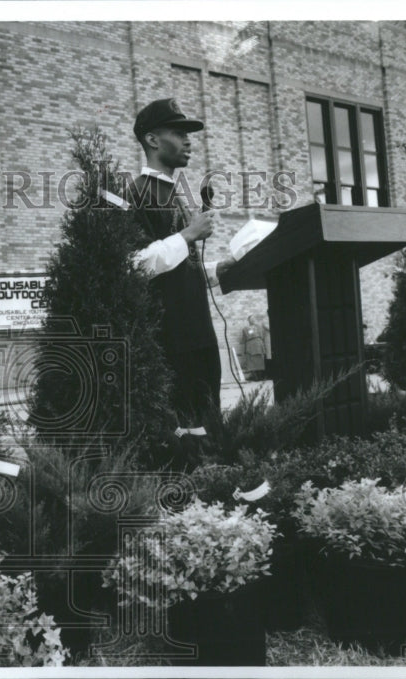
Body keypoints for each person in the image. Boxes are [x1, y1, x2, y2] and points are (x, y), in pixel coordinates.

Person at [125, 98, 235, 466]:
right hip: (170, 343)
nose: (189, 142)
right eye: (179, 133)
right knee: (183, 442)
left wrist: (226, 267)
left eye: (189, 135)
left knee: (208, 430)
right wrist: (187, 235)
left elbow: (181, 270)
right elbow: (133, 265)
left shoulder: (178, 196)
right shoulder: (133, 194)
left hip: (199, 337)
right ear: (153, 140)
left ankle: (214, 501)